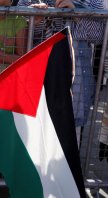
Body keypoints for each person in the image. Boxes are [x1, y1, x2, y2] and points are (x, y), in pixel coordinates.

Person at [18, 0, 105, 148]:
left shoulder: (91, 2)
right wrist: (36, 18)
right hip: (38, 82)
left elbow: (100, 34)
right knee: (35, 142)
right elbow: (16, 24)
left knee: (69, 145)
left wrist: (76, 12)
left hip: (74, 89)